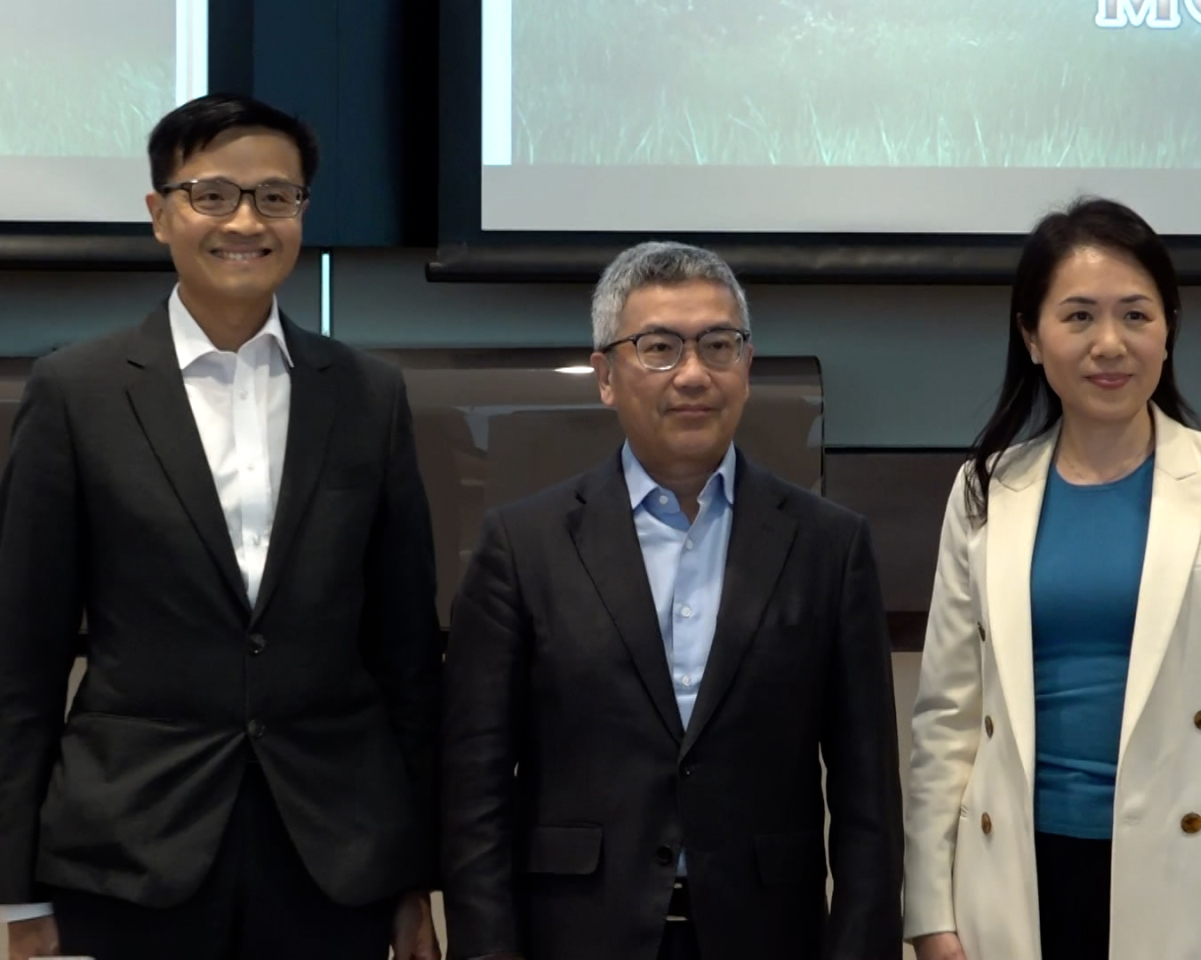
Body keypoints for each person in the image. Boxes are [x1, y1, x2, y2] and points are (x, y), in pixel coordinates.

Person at [0, 94, 442, 960]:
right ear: (160, 212)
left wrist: (414, 872)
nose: (246, 221)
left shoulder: (368, 394)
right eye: (213, 195)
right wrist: (17, 893)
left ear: (302, 212)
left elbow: (406, 657)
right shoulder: (77, 392)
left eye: (276, 197)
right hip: (131, 850)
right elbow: (22, 660)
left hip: (333, 854)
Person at [441, 240, 903, 960]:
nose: (692, 374)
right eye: (658, 348)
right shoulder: (523, 545)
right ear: (605, 376)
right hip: (577, 937)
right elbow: (475, 793)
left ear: (746, 367)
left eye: (718, 345)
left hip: (768, 937)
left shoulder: (829, 546)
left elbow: (868, 798)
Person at [903, 197, 1201, 960]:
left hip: (1194, 874)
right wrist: (930, 913)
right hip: (1016, 868)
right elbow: (945, 719)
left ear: (1168, 330)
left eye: (1135, 315)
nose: (1110, 344)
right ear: (1031, 337)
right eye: (1078, 317)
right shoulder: (984, 490)